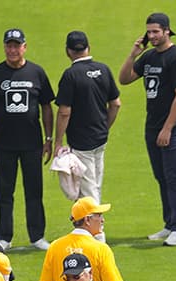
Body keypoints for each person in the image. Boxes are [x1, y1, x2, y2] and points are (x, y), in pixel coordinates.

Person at [118, 12, 176, 246]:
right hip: (152, 126)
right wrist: (133, 54)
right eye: (149, 32)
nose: (152, 36)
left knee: (174, 176)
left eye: (156, 32)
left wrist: (168, 128)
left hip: (173, 128)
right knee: (161, 176)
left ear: (167, 31)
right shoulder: (149, 57)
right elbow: (125, 78)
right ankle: (169, 223)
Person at [0, 28, 54, 251]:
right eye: (9, 45)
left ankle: (37, 236)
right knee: (4, 193)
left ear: (24, 47)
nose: (12, 50)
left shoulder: (36, 72)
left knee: (34, 191)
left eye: (16, 45)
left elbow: (47, 107)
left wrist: (48, 138)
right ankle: (4, 236)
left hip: (32, 144)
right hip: (3, 146)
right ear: (4, 47)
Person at [54, 31, 121, 201]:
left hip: (81, 143)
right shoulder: (104, 69)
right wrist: (104, 127)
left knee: (88, 192)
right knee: (95, 185)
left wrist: (58, 142)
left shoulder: (71, 75)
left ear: (67, 51)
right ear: (88, 48)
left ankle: (96, 228)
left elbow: (64, 112)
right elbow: (116, 104)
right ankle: (92, 226)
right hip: (100, 139)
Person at [40, 196, 127, 281]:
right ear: (87, 220)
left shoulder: (55, 246)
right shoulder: (101, 249)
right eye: (99, 215)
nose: (102, 220)